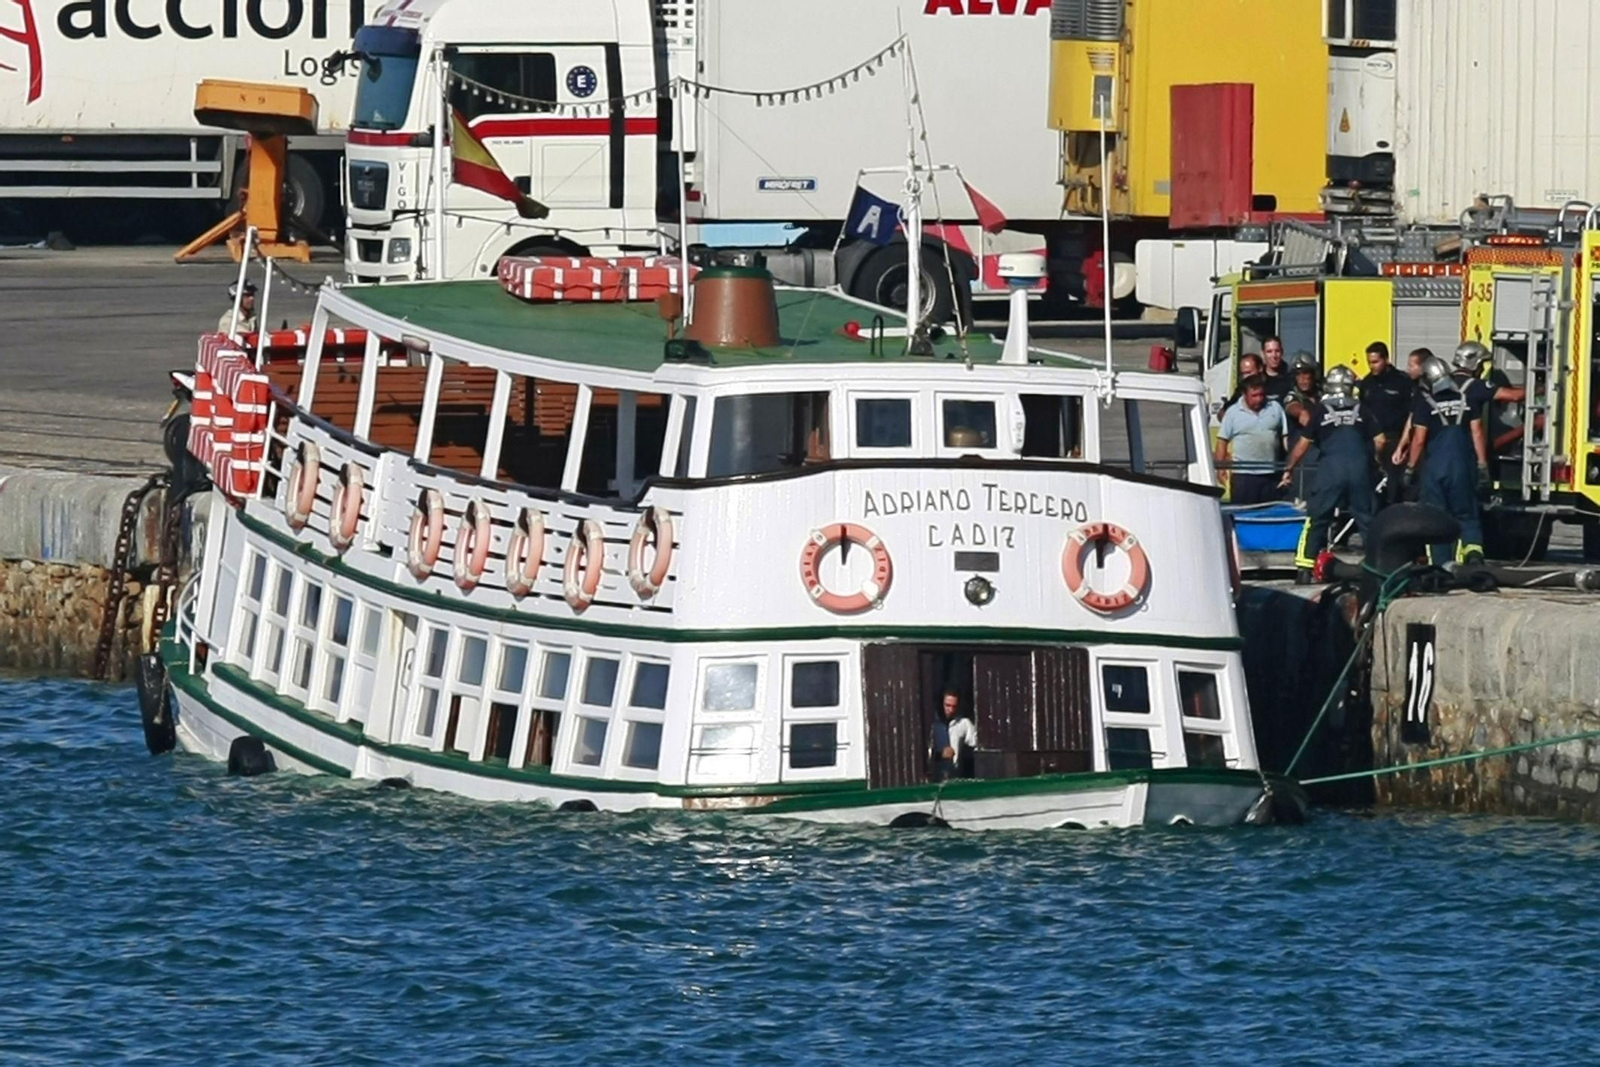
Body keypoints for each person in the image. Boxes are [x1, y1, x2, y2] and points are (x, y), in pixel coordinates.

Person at [1280, 366, 1375, 584]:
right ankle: (1376, 567)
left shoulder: (1321, 411)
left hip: (1330, 470)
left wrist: (1289, 468)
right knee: (1366, 519)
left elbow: (1303, 444)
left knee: (1317, 518)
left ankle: (1304, 569)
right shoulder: (1362, 410)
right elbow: (1379, 441)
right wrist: (1375, 461)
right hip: (1359, 468)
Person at [1404, 355, 1487, 564]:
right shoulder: (1466, 400)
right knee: (1468, 516)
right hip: (1462, 467)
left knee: (1436, 520)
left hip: (1435, 470)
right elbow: (1477, 433)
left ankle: (1442, 566)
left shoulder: (1425, 404)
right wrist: (1483, 464)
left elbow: (1419, 441)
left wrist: (1410, 469)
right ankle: (1474, 557)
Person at [1216, 375, 1287, 505]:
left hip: (1271, 474)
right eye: (1254, 396)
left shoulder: (1275, 408)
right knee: (1242, 513)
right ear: (1244, 394)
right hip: (1244, 475)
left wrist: (1289, 467)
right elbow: (1222, 441)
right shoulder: (1233, 412)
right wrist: (1221, 468)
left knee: (1270, 513)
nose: (1259, 399)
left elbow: (1285, 438)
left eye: (1261, 395)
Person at [1359, 342, 1413, 504]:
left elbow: (1412, 414)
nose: (1372, 366)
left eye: (1376, 362)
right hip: (1373, 441)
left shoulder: (1402, 381)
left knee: (1395, 486)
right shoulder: (1366, 383)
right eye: (1369, 362)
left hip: (1395, 441)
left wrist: (1404, 445)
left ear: (1386, 359)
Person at [928, 689, 977, 781]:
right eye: (947, 706)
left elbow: (976, 748)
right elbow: (924, 755)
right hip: (935, 779)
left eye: (954, 706)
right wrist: (940, 754)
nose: (951, 710)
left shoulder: (964, 724)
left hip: (956, 778)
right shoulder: (932, 725)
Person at [1260, 336, 1292, 400]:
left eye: (1277, 351)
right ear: (1262, 354)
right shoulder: (1257, 378)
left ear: (1282, 352)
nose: (1274, 356)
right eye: (1269, 351)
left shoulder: (1291, 377)